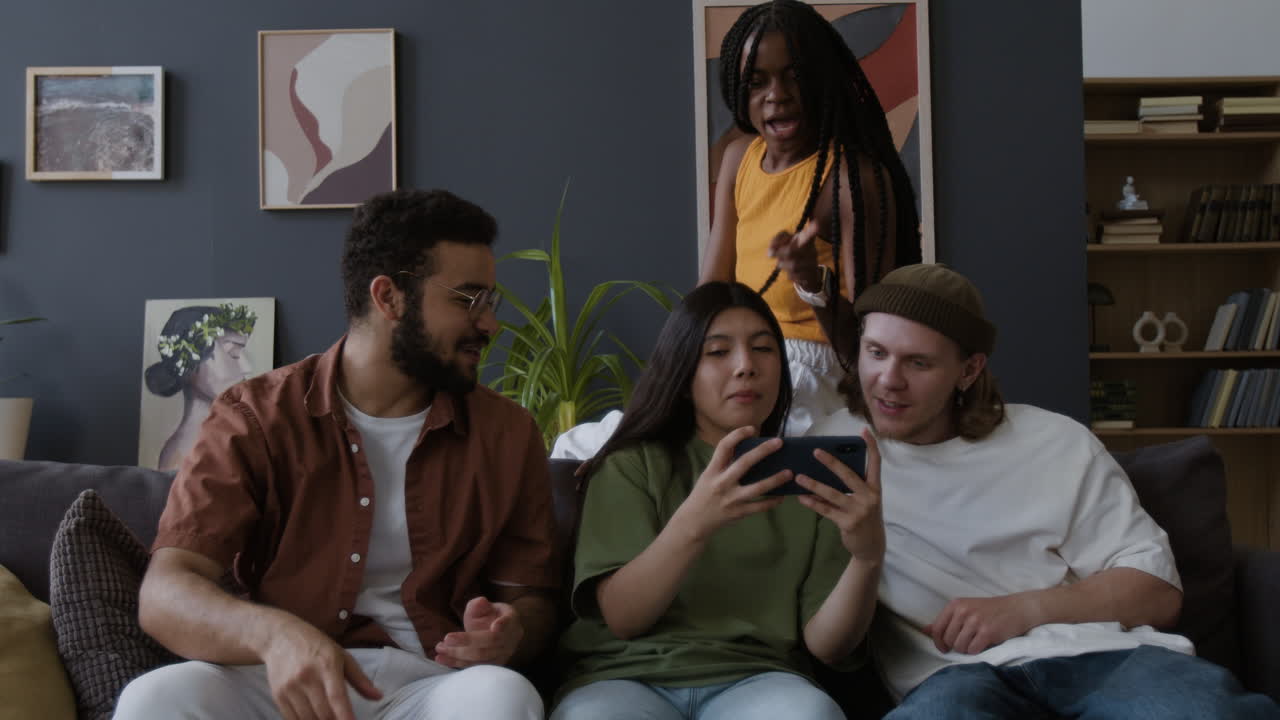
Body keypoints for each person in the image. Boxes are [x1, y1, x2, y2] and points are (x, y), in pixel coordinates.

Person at [115, 189, 559, 720]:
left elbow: (533, 601)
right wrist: (276, 636)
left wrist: (511, 634)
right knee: (157, 698)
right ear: (388, 297)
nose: (490, 324)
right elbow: (165, 593)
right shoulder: (255, 416)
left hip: (428, 688)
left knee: (504, 698)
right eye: (468, 300)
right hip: (277, 680)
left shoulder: (506, 433)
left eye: (490, 302)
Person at [809, 263, 1279, 718]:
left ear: (969, 371)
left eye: (918, 362)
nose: (889, 380)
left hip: (1102, 657)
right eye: (876, 352)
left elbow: (1157, 592)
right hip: (953, 679)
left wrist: (1023, 609)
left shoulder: (1055, 441)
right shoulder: (834, 449)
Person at [551, 281, 885, 720]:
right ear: (684, 375)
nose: (746, 366)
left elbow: (827, 646)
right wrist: (697, 521)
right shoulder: (631, 464)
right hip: (625, 678)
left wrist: (867, 557)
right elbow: (623, 618)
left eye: (764, 349)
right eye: (718, 352)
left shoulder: (814, 476)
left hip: (760, 680)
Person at [700, 0, 922, 435]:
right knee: (603, 441)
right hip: (739, 359)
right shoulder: (737, 157)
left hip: (812, 369)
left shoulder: (852, 181)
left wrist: (811, 283)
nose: (776, 95)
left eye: (794, 76)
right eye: (757, 82)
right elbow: (709, 292)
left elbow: (867, 348)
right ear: (738, 91)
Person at [145, 303, 258, 471]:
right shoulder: (182, 455)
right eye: (233, 353)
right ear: (191, 364)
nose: (247, 367)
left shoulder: (227, 438)